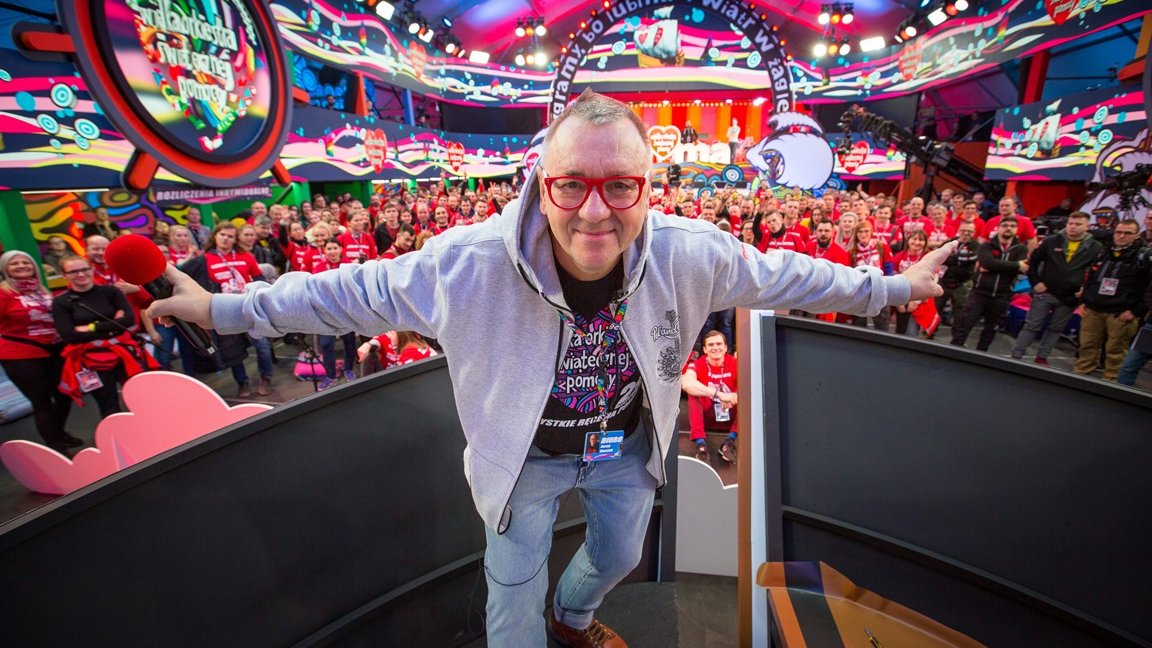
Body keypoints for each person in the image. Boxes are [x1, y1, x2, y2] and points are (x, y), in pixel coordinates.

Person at [148, 89, 948, 647]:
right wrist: (219, 310)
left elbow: (790, 274)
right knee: (510, 595)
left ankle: (575, 618)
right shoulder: (463, 265)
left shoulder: (690, 255)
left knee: (619, 556)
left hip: (621, 452)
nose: (594, 210)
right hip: (522, 461)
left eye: (619, 186)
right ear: (542, 182)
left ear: (648, 188)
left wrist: (892, 286)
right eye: (571, 185)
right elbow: (337, 295)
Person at [53, 255, 156, 418]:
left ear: (91, 269)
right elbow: (69, 335)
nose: (80, 274)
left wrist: (90, 327)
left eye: (84, 269)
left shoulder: (111, 291)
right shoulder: (61, 302)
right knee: (108, 404)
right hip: (90, 360)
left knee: (141, 395)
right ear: (64, 275)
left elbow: (128, 320)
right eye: (73, 271)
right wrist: (112, 324)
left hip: (124, 352)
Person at [0, 251, 79, 453]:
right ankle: (56, 447)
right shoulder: (4, 293)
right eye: (14, 263)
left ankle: (58, 432)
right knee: (42, 402)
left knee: (64, 394)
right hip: (21, 354)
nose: (21, 265)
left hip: (54, 349)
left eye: (25, 262)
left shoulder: (41, 290)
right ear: (5, 269)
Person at [180, 223, 267, 397]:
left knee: (262, 345)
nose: (226, 239)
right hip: (226, 309)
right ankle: (242, 382)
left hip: (249, 306)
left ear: (235, 240)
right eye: (223, 235)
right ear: (215, 236)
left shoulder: (246, 256)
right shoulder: (205, 259)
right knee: (233, 351)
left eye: (230, 236)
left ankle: (266, 378)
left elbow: (259, 278)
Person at [1010, 212, 1102, 365]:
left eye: (1077, 224)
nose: (1072, 227)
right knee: (1032, 325)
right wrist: (1035, 282)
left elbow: (1096, 272)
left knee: (1055, 329)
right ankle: (1016, 356)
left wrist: (1085, 291)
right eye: (1070, 223)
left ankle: (1042, 357)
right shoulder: (1052, 241)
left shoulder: (1095, 247)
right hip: (1045, 291)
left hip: (1071, 296)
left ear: (1087, 227)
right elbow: (1032, 262)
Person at [1074, 219, 1150, 381]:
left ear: (1136, 236)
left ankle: (1111, 384)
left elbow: (1148, 288)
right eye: (1118, 232)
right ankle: (1079, 377)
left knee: (1115, 352)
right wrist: (1084, 302)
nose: (1121, 236)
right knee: (1086, 346)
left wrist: (1136, 311)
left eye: (1127, 233)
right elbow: (1090, 278)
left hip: (1121, 313)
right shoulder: (1104, 252)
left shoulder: (1143, 257)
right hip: (1093, 309)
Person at [951, 217, 1028, 351]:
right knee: (965, 324)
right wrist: (1015, 265)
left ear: (1016, 229)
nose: (1008, 228)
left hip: (1002, 295)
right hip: (980, 292)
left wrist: (995, 266)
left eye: (1012, 226)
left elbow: (1023, 268)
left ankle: (981, 355)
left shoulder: (1021, 249)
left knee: (991, 328)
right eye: (1005, 225)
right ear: (998, 228)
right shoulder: (987, 245)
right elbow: (987, 262)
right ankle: (954, 351)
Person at [680, 330, 737, 463]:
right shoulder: (697, 364)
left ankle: (730, 442)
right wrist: (720, 395)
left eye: (719, 344)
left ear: (725, 348)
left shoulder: (735, 363)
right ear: (705, 349)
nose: (715, 347)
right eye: (711, 345)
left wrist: (735, 397)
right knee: (693, 395)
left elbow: (753, 385)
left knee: (747, 395)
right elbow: (686, 383)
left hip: (730, 417)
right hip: (707, 417)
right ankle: (701, 445)